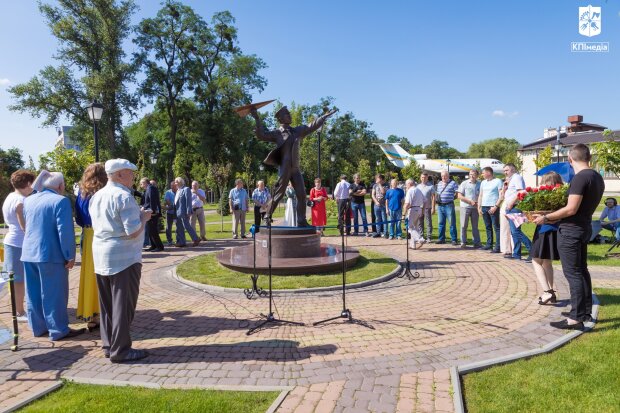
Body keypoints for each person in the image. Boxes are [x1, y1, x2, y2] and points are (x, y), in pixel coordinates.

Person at [534, 144, 605, 330]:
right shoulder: (597, 177)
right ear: (589, 157)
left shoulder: (580, 178)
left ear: (570, 159)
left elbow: (571, 208)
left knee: (573, 274)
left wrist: (546, 217)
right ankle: (583, 311)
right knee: (582, 271)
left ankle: (576, 318)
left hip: (571, 231)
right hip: (583, 228)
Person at [89, 159, 151, 361]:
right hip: (124, 257)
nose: (133, 177)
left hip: (101, 255)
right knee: (123, 304)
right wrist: (143, 218)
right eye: (130, 173)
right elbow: (132, 231)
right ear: (119, 175)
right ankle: (121, 350)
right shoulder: (124, 197)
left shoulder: (97, 196)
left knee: (107, 305)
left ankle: (109, 345)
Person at [22, 171, 84, 340]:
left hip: (28, 253)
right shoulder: (60, 201)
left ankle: (38, 327)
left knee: (33, 293)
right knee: (54, 294)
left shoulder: (28, 200)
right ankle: (58, 330)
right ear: (60, 186)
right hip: (50, 255)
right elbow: (64, 231)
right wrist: (69, 255)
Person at [250, 106, 336, 226]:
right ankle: (267, 216)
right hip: (284, 168)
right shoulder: (277, 133)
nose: (290, 115)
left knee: (301, 194)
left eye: (289, 113)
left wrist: (324, 117)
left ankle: (301, 220)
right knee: (278, 194)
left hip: (295, 169)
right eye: (287, 114)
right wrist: (257, 118)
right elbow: (261, 135)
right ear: (280, 118)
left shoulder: (297, 131)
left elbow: (311, 126)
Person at [75, 163, 108, 331]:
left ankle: (92, 314)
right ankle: (103, 313)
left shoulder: (81, 194)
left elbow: (79, 219)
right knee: (103, 274)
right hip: (100, 233)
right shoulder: (103, 193)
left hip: (87, 236)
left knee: (89, 275)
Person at [2, 169, 35, 322]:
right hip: (18, 244)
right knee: (19, 281)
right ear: (27, 183)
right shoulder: (20, 201)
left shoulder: (11, 196)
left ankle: (18, 310)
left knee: (16, 280)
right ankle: (20, 312)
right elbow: (25, 227)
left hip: (11, 241)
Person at [529, 172, 563, 306]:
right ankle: (552, 293)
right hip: (555, 231)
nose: (542, 184)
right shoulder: (563, 194)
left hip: (544, 230)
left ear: (549, 182)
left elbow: (544, 213)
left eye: (544, 182)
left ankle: (547, 291)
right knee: (547, 262)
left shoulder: (548, 195)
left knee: (536, 261)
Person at [503, 163, 532, 262]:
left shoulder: (517, 178)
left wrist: (511, 203)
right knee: (514, 233)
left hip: (515, 207)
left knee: (516, 232)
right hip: (510, 207)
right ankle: (516, 254)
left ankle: (532, 251)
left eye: (506, 170)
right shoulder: (511, 180)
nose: (505, 172)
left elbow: (521, 192)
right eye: (504, 171)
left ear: (513, 169)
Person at [477, 167, 503, 253]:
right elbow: (481, 195)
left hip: (493, 207)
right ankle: (489, 244)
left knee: (496, 227)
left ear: (488, 173)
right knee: (488, 226)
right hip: (484, 206)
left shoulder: (498, 181)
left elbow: (501, 195)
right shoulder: (483, 182)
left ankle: (498, 246)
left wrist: (496, 206)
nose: (482, 174)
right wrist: (479, 206)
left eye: (483, 173)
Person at [457, 169, 482, 248]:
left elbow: (481, 195)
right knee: (463, 225)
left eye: (474, 174)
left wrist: (478, 203)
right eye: (470, 174)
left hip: (475, 208)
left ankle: (476, 242)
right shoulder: (464, 183)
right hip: (465, 207)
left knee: (475, 226)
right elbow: (459, 196)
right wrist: (469, 201)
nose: (472, 176)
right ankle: (463, 242)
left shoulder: (480, 184)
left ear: (477, 175)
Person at [174, 177, 200, 247]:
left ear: (180, 182)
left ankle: (196, 239)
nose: (175, 183)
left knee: (186, 226)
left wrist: (189, 212)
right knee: (179, 227)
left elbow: (188, 201)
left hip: (184, 212)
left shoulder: (186, 189)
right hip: (178, 212)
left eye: (176, 182)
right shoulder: (178, 191)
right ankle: (182, 242)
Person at [140, 177, 164, 252]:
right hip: (150, 211)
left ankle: (159, 246)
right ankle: (153, 246)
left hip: (152, 213)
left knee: (153, 230)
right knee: (150, 230)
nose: (141, 185)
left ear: (145, 183)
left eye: (141, 183)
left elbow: (152, 200)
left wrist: (152, 211)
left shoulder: (150, 188)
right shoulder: (148, 189)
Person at [435, 170, 459, 245]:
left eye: (445, 176)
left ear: (448, 176)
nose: (443, 177)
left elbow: (457, 193)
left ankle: (454, 240)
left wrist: (451, 198)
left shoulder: (453, 183)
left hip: (449, 205)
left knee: (452, 223)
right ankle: (441, 239)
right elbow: (437, 193)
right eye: (442, 176)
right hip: (440, 206)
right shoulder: (439, 183)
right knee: (441, 223)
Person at [403, 178, 425, 249]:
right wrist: (422, 210)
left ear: (409, 184)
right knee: (414, 227)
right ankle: (412, 245)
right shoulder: (418, 190)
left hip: (413, 209)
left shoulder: (410, 191)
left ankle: (420, 239)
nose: (406, 186)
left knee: (410, 228)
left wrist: (403, 214)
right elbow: (425, 201)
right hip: (419, 209)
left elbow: (407, 204)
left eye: (406, 185)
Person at [417, 173, 435, 243]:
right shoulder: (418, 186)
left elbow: (433, 197)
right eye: (422, 177)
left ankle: (429, 237)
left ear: (427, 178)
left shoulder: (431, 186)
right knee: (420, 223)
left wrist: (433, 208)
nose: (423, 179)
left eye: (425, 177)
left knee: (428, 223)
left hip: (428, 207)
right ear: (420, 178)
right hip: (419, 207)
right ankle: (421, 237)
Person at [499, 178, 514, 256]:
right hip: (504, 207)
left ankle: (514, 249)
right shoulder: (505, 187)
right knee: (504, 229)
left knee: (513, 230)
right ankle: (506, 249)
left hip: (510, 207)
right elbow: (501, 197)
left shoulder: (513, 189)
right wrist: (504, 189)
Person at [371, 174, 389, 238]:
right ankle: (378, 232)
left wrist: (379, 184)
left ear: (381, 179)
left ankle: (385, 232)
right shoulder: (374, 185)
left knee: (384, 219)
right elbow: (373, 195)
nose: (376, 179)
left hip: (383, 205)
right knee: (377, 219)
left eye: (377, 178)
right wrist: (376, 201)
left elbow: (383, 192)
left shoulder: (386, 185)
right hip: (376, 205)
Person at [164, 180, 177, 246]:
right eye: (171, 186)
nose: (172, 188)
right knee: (168, 227)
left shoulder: (179, 192)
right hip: (170, 212)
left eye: (174, 186)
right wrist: (172, 206)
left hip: (177, 212)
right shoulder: (168, 192)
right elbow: (167, 201)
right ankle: (169, 240)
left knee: (178, 226)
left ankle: (178, 239)